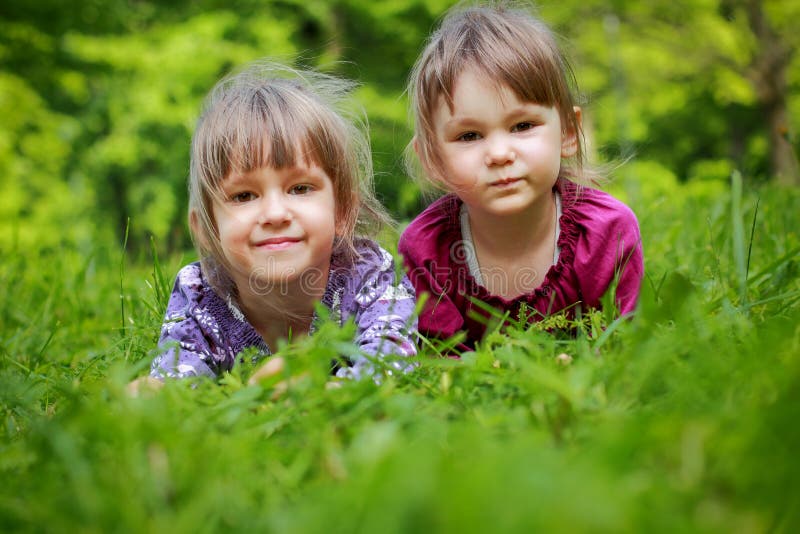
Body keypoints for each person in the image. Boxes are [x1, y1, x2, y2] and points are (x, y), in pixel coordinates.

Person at [147, 61, 417, 383]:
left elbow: (389, 358)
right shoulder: (201, 293)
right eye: (244, 196)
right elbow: (176, 375)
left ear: (342, 211)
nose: (275, 214)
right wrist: (156, 390)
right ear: (207, 230)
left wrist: (329, 391)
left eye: (300, 188)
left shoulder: (368, 276)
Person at [398, 1, 644, 348]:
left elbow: (618, 351)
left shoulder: (605, 234)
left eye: (522, 125)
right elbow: (445, 367)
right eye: (469, 136)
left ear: (568, 133)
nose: (499, 154)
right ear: (433, 159)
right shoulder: (426, 251)